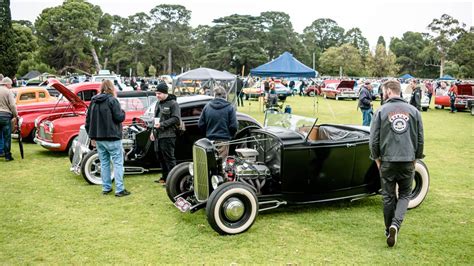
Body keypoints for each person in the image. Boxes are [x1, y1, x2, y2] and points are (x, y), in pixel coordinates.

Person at [369, 80, 424, 247]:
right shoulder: (414, 111)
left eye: (383, 91)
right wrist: (416, 157)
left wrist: (376, 158)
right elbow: (420, 138)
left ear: (388, 91)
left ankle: (389, 229)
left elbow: (373, 139)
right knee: (405, 194)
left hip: (387, 160)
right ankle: (395, 225)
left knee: (388, 196)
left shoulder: (381, 111)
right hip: (408, 159)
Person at [85, 80, 130, 197]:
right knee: (118, 163)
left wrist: (91, 136)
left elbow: (88, 121)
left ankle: (106, 188)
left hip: (99, 138)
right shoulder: (112, 100)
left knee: (104, 163)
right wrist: (123, 112)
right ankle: (119, 189)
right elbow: (119, 117)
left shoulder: (93, 101)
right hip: (113, 137)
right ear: (111, 88)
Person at [150, 83, 180, 184]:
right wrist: (152, 132)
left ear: (165, 93)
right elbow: (155, 118)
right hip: (158, 135)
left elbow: (176, 119)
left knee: (169, 158)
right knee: (160, 157)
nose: (157, 95)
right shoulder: (158, 103)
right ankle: (165, 177)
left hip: (168, 135)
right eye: (156, 93)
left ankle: (173, 180)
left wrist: (162, 124)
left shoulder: (173, 104)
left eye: (159, 93)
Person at [198, 87, 238, 158]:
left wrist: (207, 133)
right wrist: (230, 136)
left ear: (214, 95)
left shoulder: (207, 107)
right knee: (222, 164)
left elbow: (201, 124)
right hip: (224, 140)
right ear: (225, 96)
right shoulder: (230, 107)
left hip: (209, 141)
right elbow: (234, 126)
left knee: (210, 163)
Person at [0, 78, 17, 161]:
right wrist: (15, 115)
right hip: (5, 116)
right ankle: (7, 156)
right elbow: (13, 105)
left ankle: (0, 152)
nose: (11, 86)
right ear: (6, 84)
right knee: (7, 137)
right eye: (10, 84)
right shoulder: (8, 91)